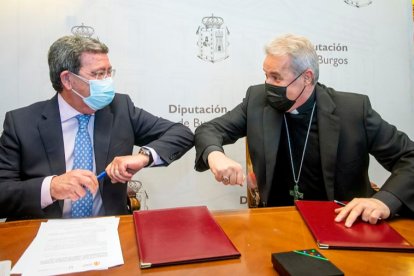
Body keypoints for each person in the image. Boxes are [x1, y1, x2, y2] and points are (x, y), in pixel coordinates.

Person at [194, 33, 414, 227]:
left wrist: (385, 200)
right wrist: (215, 155)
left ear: (307, 78)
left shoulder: (353, 111)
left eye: (276, 77)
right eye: (266, 75)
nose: (267, 84)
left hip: (342, 223)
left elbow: (409, 157)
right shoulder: (257, 100)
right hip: (276, 222)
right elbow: (210, 129)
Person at [0, 35, 194, 220]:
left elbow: (181, 133)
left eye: (109, 72)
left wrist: (143, 156)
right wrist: (50, 187)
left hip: (107, 229)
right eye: (98, 74)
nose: (107, 81)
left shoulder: (120, 108)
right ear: (67, 79)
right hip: (43, 231)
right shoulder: (21, 123)